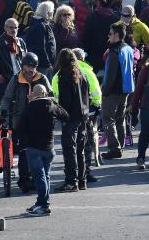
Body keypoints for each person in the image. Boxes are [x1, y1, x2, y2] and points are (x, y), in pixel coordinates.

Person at [2, 52, 52, 192]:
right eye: (28, 66)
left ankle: (37, 179)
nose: (31, 70)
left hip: (39, 121)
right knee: (24, 151)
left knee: (39, 151)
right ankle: (24, 179)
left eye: (34, 67)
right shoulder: (16, 79)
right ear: (23, 66)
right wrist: (4, 114)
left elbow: (51, 96)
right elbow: (7, 98)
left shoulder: (42, 79)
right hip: (21, 120)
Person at [19, 84, 69, 216]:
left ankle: (44, 205)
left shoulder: (30, 107)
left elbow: (20, 126)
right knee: (45, 176)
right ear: (46, 94)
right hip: (49, 147)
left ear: (33, 94)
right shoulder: (51, 106)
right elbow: (65, 115)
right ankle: (41, 202)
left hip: (34, 147)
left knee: (39, 177)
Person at [52, 49, 90, 192]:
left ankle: (71, 181)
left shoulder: (64, 76)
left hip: (71, 117)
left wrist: (60, 115)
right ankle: (82, 180)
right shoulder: (82, 74)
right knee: (80, 150)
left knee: (69, 150)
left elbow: (65, 101)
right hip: (83, 116)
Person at [100, 22, 135, 159]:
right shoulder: (127, 48)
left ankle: (114, 147)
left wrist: (105, 91)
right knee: (120, 119)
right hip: (126, 89)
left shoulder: (114, 52)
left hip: (114, 90)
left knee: (108, 119)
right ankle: (120, 145)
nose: (108, 36)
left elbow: (110, 76)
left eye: (110, 33)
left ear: (116, 35)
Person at [69, 48, 101, 183]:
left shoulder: (61, 73)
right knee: (86, 143)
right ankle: (86, 172)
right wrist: (97, 107)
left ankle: (72, 173)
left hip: (69, 114)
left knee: (72, 144)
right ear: (81, 58)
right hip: (86, 113)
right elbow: (96, 93)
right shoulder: (88, 72)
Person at [0, 18, 28, 104]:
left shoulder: (21, 42)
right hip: (5, 81)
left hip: (20, 80)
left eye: (15, 27)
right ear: (5, 28)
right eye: (11, 27)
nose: (13, 30)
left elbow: (26, 60)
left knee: (19, 107)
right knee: (3, 108)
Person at [83, 0, 118, 73]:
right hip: (109, 53)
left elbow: (86, 36)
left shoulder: (92, 16)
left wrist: (86, 51)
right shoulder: (115, 18)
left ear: (98, 3)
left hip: (93, 54)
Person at [23, 1, 57, 76]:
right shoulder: (40, 25)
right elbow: (40, 47)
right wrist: (47, 64)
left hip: (43, 63)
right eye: (52, 11)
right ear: (48, 12)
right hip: (42, 65)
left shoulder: (40, 24)